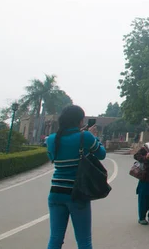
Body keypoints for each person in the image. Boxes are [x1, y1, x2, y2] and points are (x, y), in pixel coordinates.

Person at [46, 105, 106, 249]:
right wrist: (94, 137)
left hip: (55, 193)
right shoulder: (85, 136)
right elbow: (101, 154)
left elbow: (52, 157)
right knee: (84, 241)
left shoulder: (52, 139)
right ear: (80, 121)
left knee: (55, 239)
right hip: (77, 193)